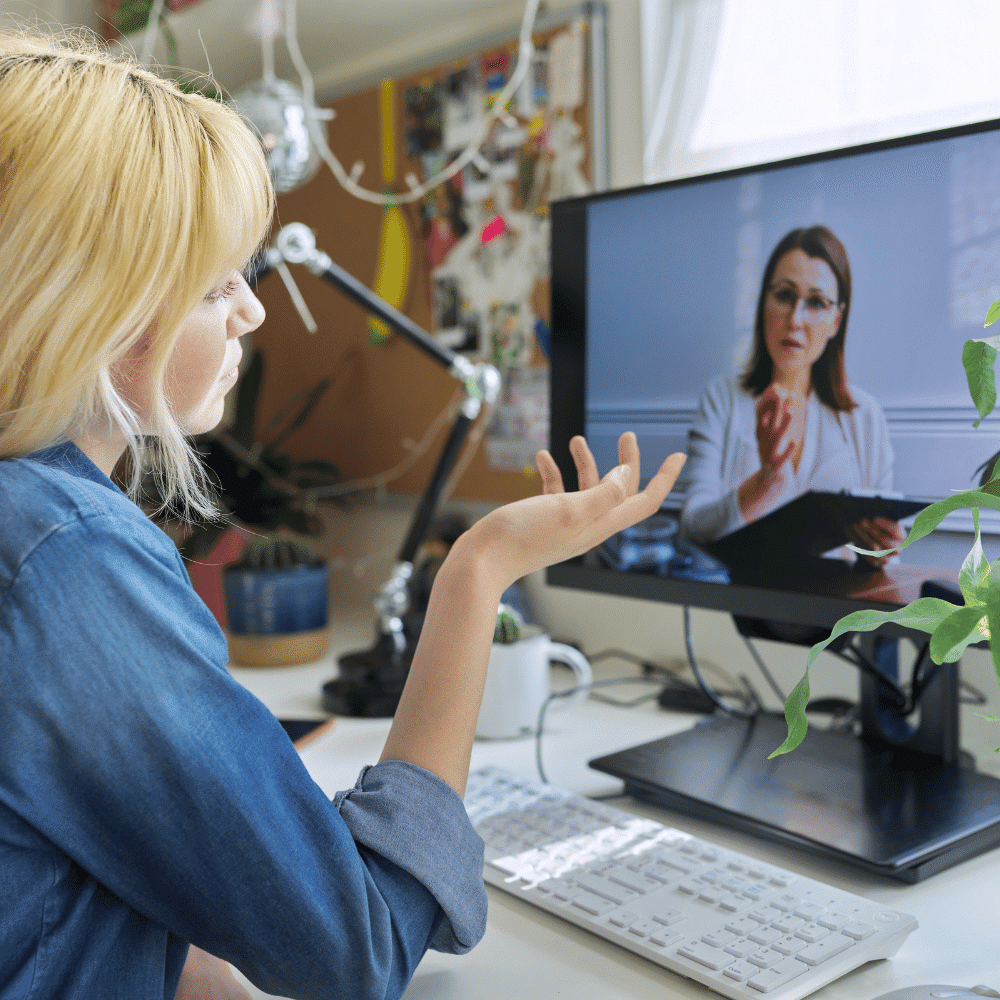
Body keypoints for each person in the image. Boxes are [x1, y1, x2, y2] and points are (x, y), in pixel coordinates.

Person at [0, 30, 686, 1000]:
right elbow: (357, 943)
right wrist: (478, 566)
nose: (252, 312)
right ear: (100, 312)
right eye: (216, 282)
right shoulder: (70, 556)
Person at [680, 225, 904, 569]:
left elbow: (886, 563)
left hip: (838, 614)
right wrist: (766, 481)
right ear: (764, 303)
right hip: (748, 606)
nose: (795, 319)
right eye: (784, 295)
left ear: (836, 320)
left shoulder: (865, 416)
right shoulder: (721, 400)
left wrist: (882, 552)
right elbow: (693, 528)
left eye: (816, 302)